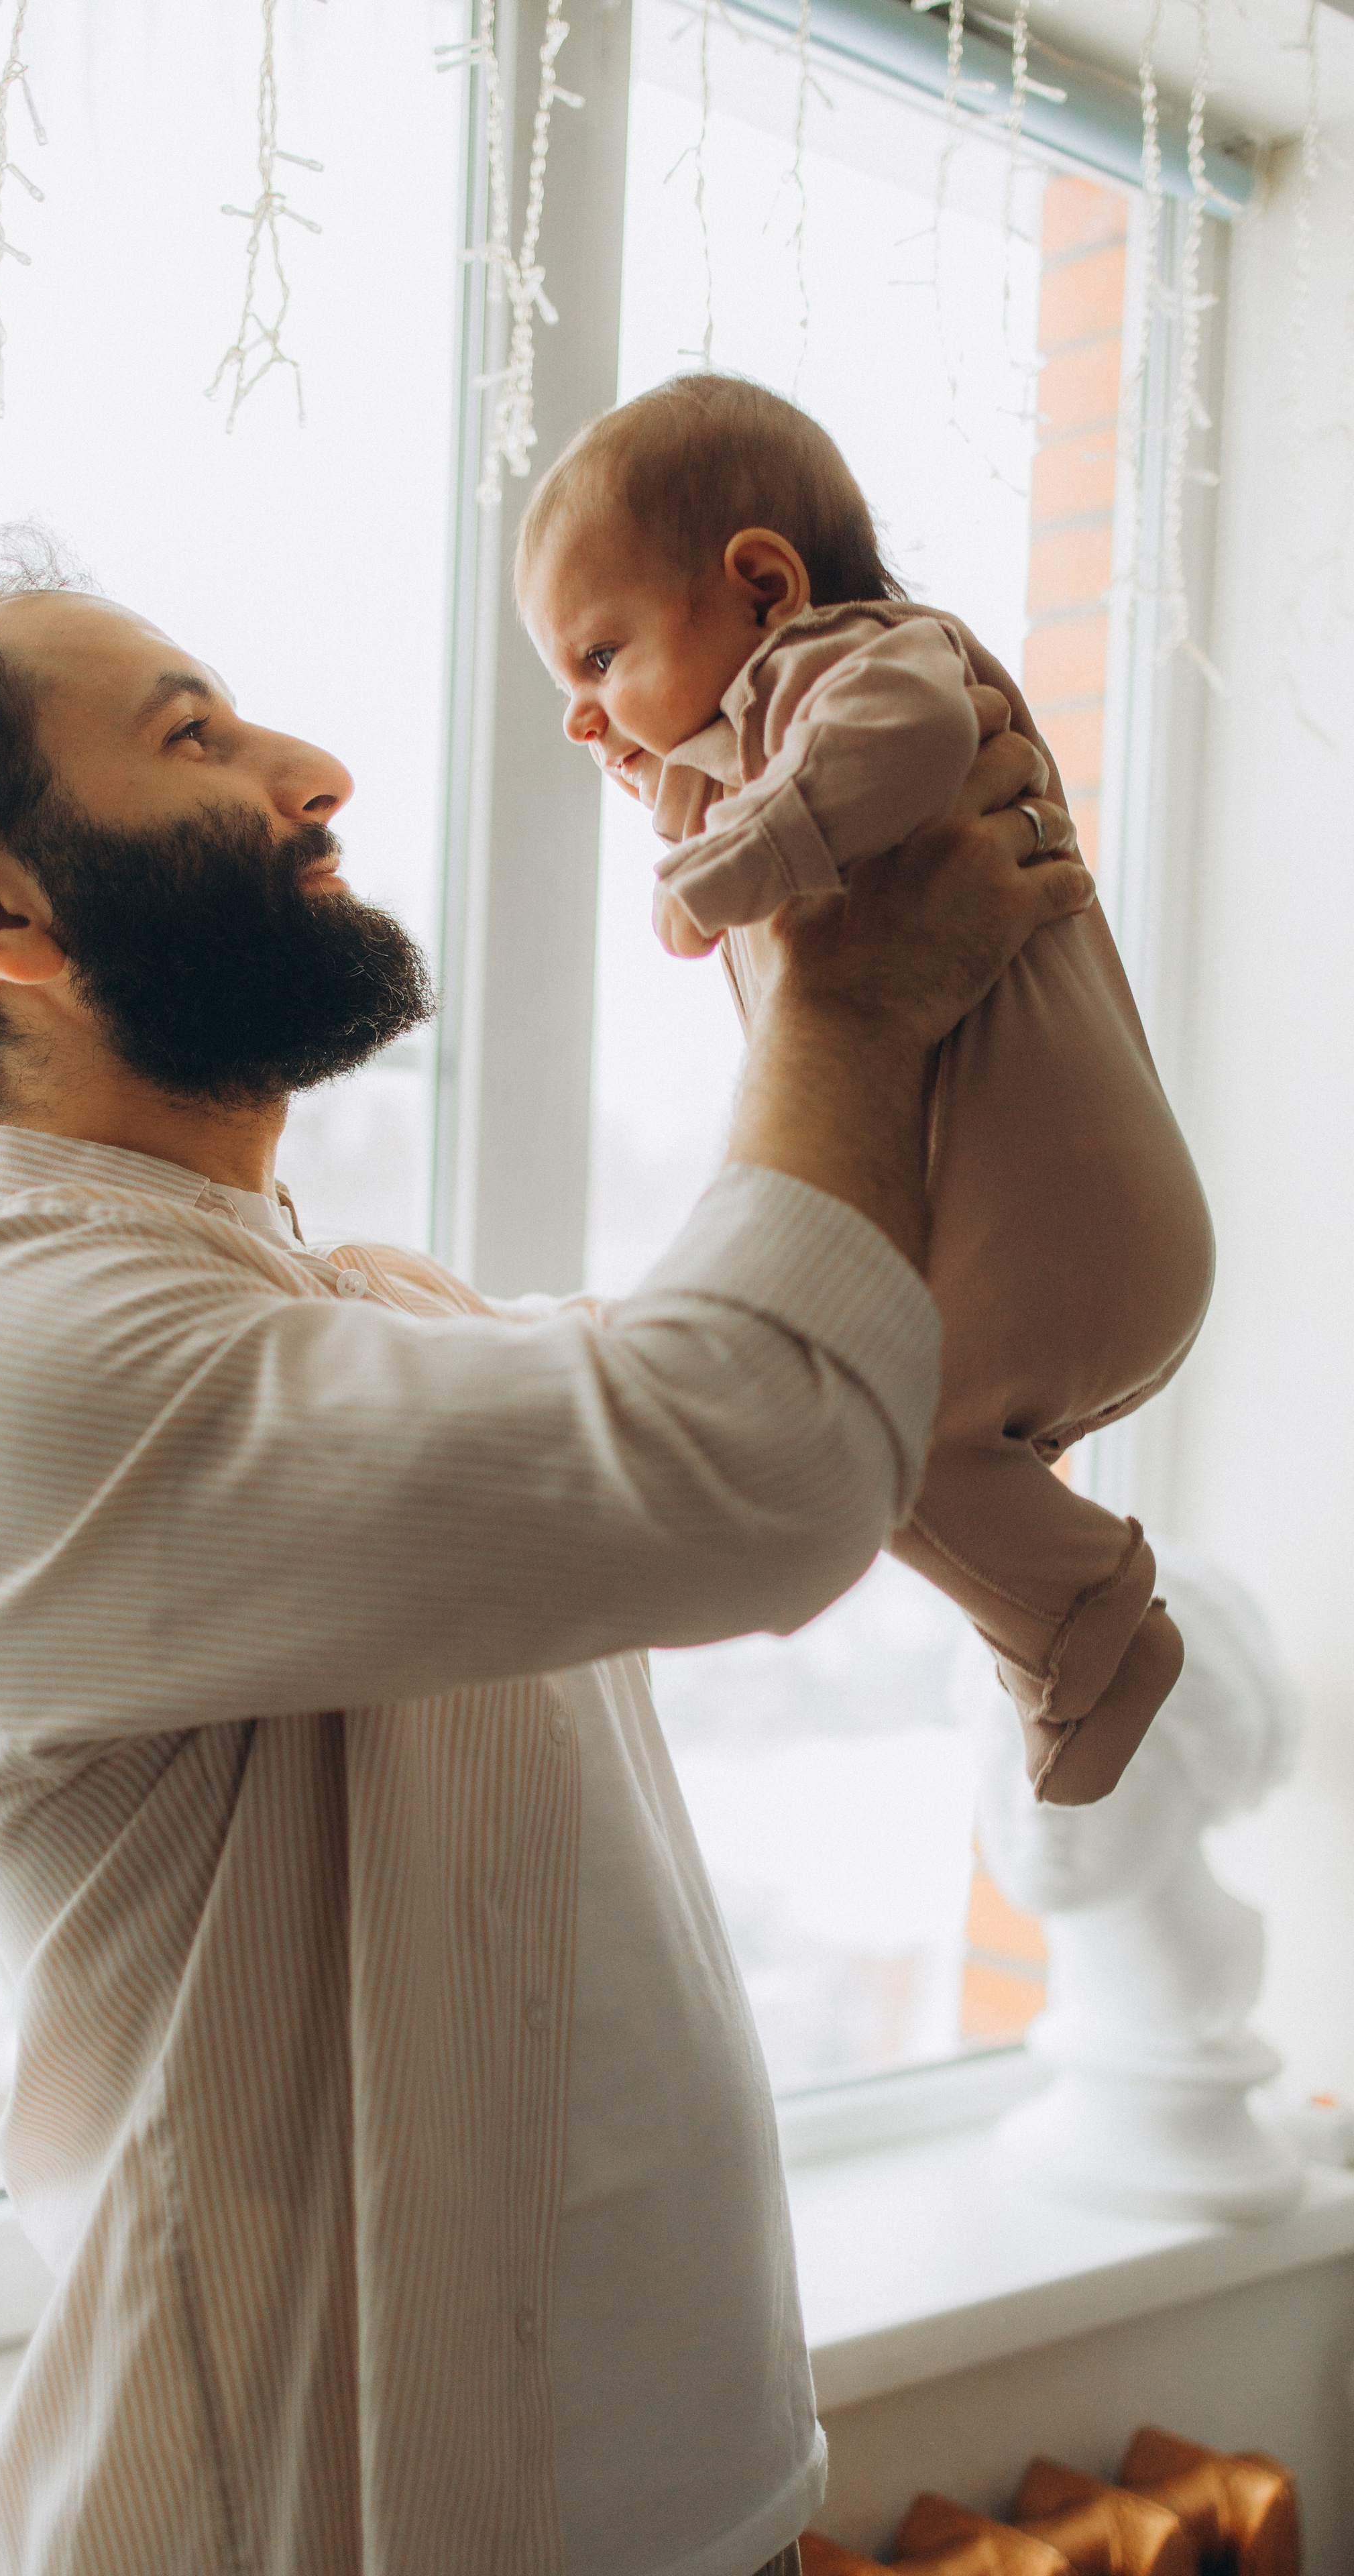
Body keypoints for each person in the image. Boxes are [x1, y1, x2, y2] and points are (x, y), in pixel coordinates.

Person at [0, 545, 1088, 2576]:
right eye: (195, 734)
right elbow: (754, 1454)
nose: (320, 771)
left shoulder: (358, 1310)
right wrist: (852, 990)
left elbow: (815, 1380)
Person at [518, 374, 1217, 1811]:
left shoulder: (852, 662)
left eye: (598, 656)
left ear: (762, 583)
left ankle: (1087, 1631)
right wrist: (676, 784)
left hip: (1078, 1224)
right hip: (1061, 1239)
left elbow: (898, 740)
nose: (583, 720)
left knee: (865, 1436)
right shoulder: (761, 741)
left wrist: (725, 861)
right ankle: (1063, 1639)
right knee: (871, 1438)